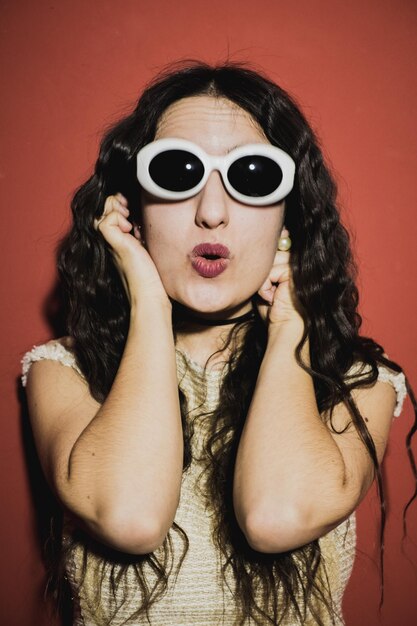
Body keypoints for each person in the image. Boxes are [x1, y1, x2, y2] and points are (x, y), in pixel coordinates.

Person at [21, 62, 414, 626]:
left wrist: (290, 329)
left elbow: (275, 515)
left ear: (290, 215)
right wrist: (150, 301)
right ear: (133, 205)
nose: (211, 211)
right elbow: (128, 516)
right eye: (177, 172)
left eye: (252, 176)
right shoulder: (65, 372)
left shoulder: (356, 382)